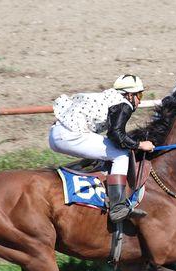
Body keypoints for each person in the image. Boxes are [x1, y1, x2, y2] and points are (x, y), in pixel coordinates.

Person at [48, 74, 155, 222]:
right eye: (140, 95)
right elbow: (116, 135)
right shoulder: (124, 104)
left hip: (57, 133)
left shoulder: (109, 96)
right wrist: (140, 145)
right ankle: (118, 207)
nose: (140, 100)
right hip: (69, 135)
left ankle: (87, 167)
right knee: (121, 153)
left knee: (104, 146)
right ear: (130, 95)